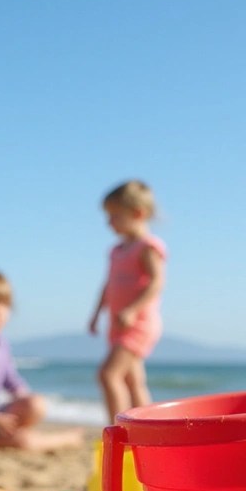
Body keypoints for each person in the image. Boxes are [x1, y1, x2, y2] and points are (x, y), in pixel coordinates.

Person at [0, 267, 84, 450]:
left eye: (4, 305)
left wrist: (22, 396)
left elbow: (10, 378)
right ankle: (65, 439)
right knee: (24, 442)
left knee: (36, 404)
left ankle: (16, 434)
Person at [88, 180, 166, 422]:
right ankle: (149, 430)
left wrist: (133, 310)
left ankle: (121, 428)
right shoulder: (116, 250)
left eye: (115, 216)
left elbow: (156, 282)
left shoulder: (148, 247)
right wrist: (95, 314)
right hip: (117, 323)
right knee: (133, 381)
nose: (109, 222)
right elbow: (108, 285)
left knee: (108, 375)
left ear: (138, 213)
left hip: (138, 324)